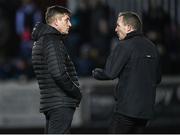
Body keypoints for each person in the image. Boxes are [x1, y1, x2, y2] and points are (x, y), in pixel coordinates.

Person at [92, 11, 161, 133]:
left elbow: (110, 73)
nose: (115, 29)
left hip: (126, 110)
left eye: (118, 25)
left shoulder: (124, 45)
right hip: (145, 112)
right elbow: (157, 78)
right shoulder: (152, 46)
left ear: (129, 28)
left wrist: (96, 73)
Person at [31, 5, 82, 134]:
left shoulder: (42, 40)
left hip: (53, 102)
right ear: (55, 22)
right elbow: (58, 73)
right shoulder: (51, 41)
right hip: (60, 103)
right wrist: (76, 92)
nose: (70, 24)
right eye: (66, 20)